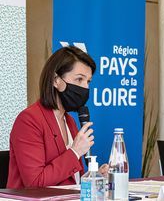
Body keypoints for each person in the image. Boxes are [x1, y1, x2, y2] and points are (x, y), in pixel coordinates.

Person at [7, 46, 108, 189]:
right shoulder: (29, 120)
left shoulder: (70, 121)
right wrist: (75, 151)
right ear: (56, 80)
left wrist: (94, 176)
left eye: (88, 81)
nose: (85, 88)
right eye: (79, 79)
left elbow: (69, 179)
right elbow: (35, 183)